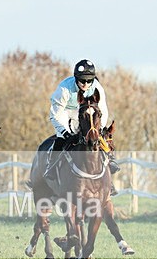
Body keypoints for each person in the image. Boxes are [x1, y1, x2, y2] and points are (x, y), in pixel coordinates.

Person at [46, 59, 119, 194]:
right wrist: (65, 132)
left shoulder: (97, 88)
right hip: (65, 114)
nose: (85, 84)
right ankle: (52, 166)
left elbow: (103, 111)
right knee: (63, 138)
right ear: (76, 78)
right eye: (82, 81)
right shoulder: (64, 90)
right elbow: (55, 115)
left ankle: (110, 165)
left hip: (87, 113)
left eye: (89, 81)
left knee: (99, 139)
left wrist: (99, 129)